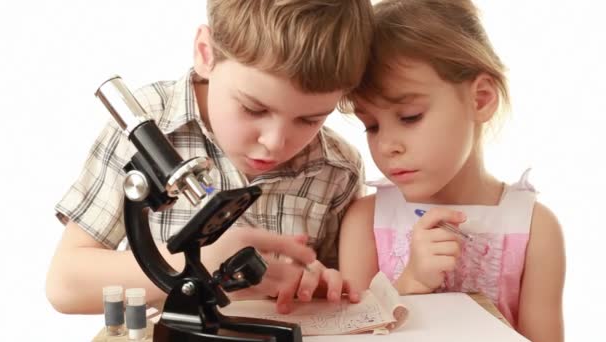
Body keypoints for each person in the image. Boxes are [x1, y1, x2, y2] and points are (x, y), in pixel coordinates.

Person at [47, 0, 374, 315]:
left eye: (310, 120)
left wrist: (321, 287)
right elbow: (66, 285)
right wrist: (194, 264)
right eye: (254, 108)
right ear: (207, 52)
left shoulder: (338, 169)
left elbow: (338, 290)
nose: (274, 143)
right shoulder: (147, 125)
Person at [338, 1, 565, 341]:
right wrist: (409, 284)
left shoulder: (534, 228)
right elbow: (349, 336)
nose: (387, 146)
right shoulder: (365, 222)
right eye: (371, 126)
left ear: (482, 99)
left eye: (410, 116)